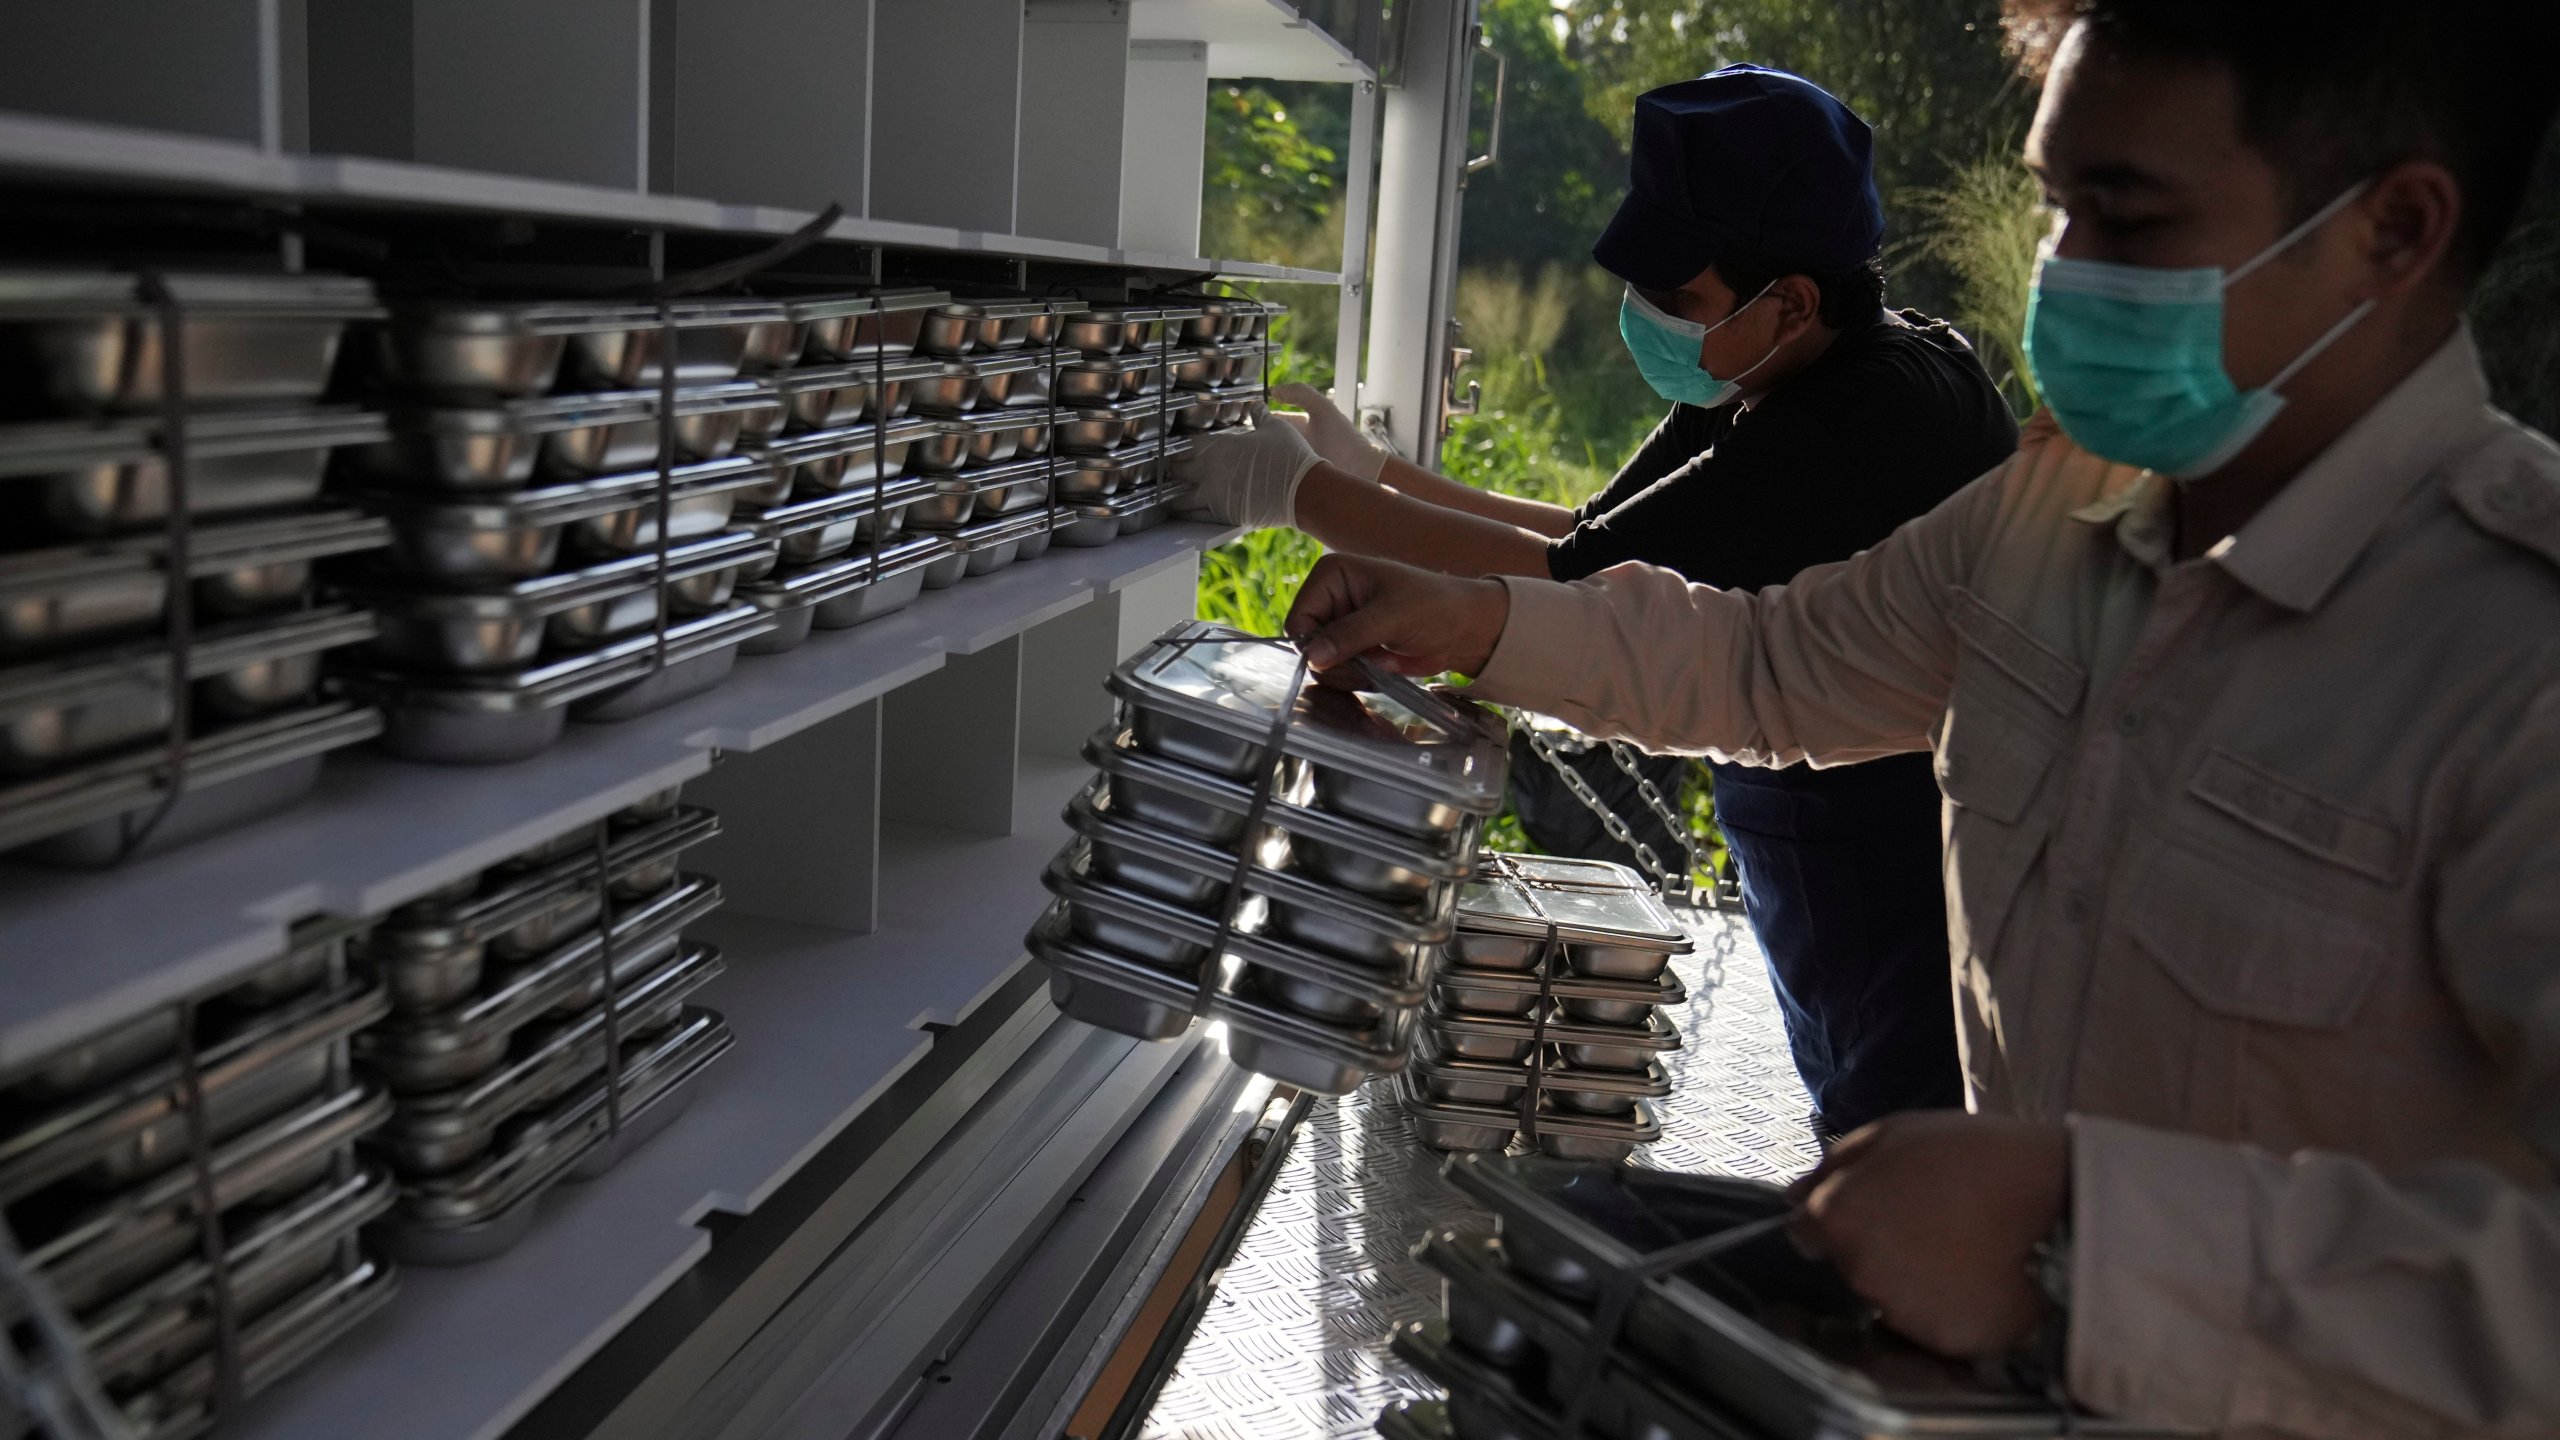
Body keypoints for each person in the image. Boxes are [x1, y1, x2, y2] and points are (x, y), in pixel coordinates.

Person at [1278, 0, 2560, 1433]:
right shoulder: (2061, 512)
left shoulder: (2513, 662)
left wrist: (2093, 1240)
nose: (2063, 275)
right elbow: (1773, 665)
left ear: (2393, 230)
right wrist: (1477, 620)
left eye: (2125, 218)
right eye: (2058, 209)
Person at [1178, 66, 2020, 1138]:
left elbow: (1570, 590)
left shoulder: (1864, 421)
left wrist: (1301, 496)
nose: (1647, 321)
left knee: (1898, 1147)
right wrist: (1377, 478)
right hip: (1806, 839)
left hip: (1894, 871)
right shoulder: (1771, 368)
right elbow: (1590, 538)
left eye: (1679, 301)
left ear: (1793, 298)